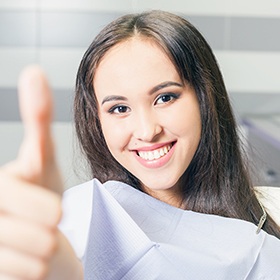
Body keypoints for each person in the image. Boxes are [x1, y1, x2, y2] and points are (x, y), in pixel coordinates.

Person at [0, 10, 280, 280]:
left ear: (205, 99)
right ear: (96, 120)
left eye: (165, 98)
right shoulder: (74, 226)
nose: (147, 131)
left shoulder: (270, 216)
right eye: (119, 108)